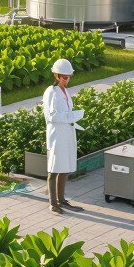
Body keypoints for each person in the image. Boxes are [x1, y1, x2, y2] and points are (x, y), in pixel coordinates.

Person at [43, 58, 85, 214]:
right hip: (56, 133)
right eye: (64, 77)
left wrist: (73, 118)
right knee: (54, 168)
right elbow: (53, 115)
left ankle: (62, 199)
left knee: (65, 166)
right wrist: (73, 116)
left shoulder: (65, 92)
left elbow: (66, 113)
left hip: (67, 132)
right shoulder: (51, 92)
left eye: (69, 77)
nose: (67, 80)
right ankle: (53, 203)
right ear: (56, 75)